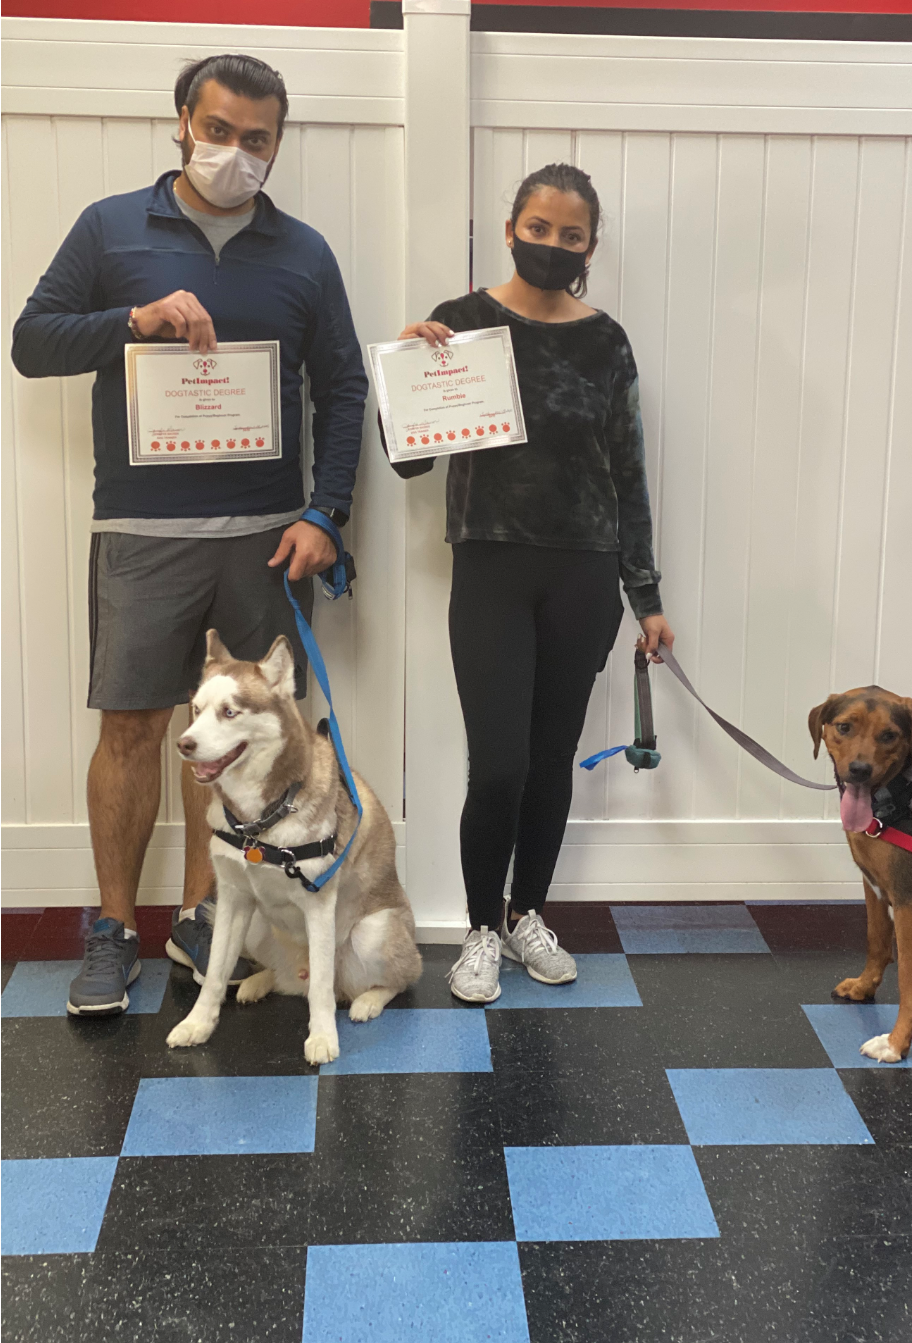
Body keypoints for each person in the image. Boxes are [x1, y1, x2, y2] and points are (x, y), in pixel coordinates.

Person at [11, 54, 367, 1016]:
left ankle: (205, 923)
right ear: (181, 122)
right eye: (218, 130)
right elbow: (31, 342)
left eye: (257, 139)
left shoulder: (305, 253)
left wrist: (326, 513)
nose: (235, 152)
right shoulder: (110, 227)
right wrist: (132, 319)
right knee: (133, 728)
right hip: (142, 532)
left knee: (239, 741)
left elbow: (343, 390)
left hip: (268, 540)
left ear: (277, 145)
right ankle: (113, 930)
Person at [386, 162, 674, 1003]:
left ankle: (527, 915)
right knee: (499, 766)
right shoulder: (461, 322)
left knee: (551, 762)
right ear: (510, 229)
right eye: (538, 228)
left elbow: (628, 470)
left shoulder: (606, 341)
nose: (552, 244)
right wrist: (406, 374)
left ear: (591, 246)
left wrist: (646, 596)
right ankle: (480, 926)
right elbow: (409, 463)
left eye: (570, 234)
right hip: (491, 566)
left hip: (584, 571)